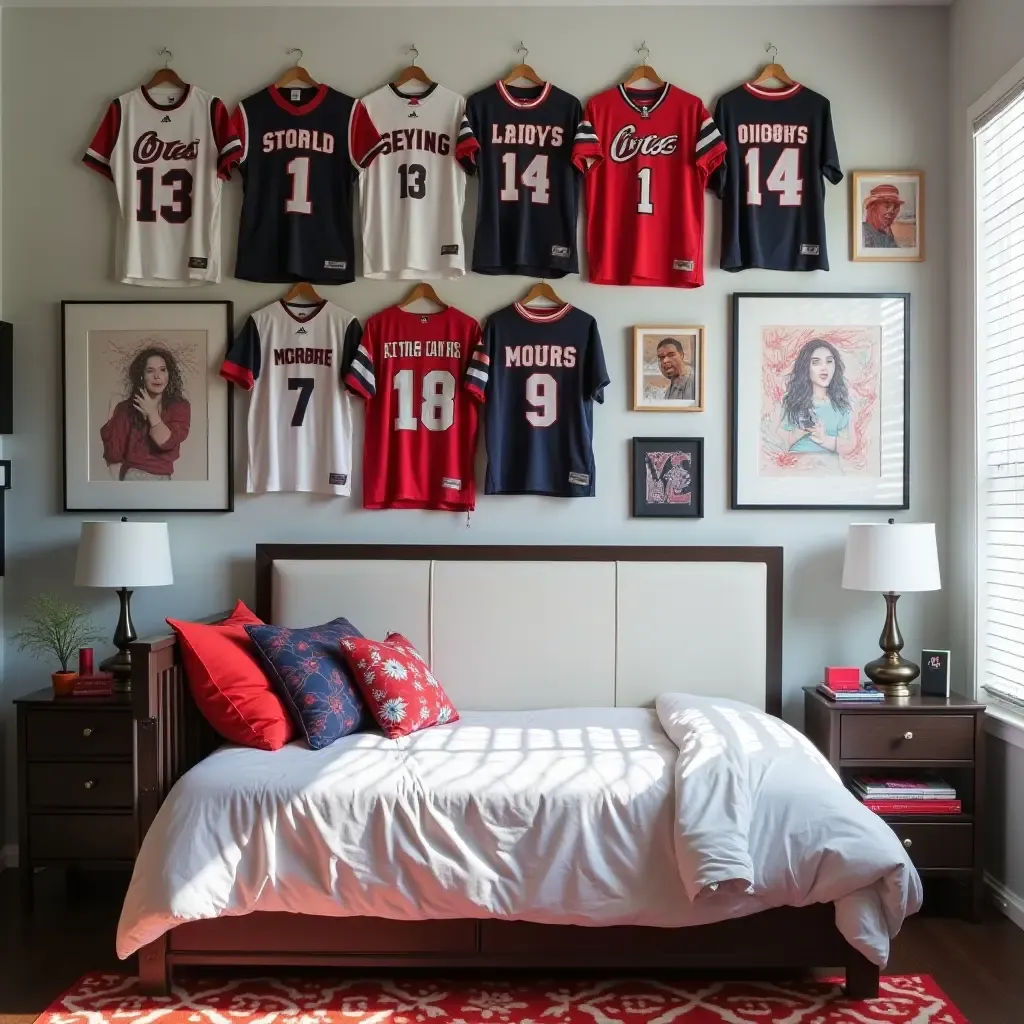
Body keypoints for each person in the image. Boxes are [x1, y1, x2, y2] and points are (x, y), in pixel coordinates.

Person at [100, 345, 191, 480]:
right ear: (141, 376)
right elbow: (114, 455)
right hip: (131, 478)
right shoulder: (125, 408)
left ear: (169, 374)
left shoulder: (179, 406)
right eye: (150, 371)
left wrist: (151, 412)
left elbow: (166, 442)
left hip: (164, 479)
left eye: (162, 370)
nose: (157, 376)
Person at [775, 338, 855, 459]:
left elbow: (850, 444)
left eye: (829, 361)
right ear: (806, 367)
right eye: (816, 362)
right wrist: (799, 431)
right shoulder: (792, 401)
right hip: (795, 469)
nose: (824, 368)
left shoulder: (841, 405)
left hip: (829, 471)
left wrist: (824, 440)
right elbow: (777, 442)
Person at [861, 183, 905, 248]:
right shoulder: (863, 232)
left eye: (895, 208)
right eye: (887, 206)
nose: (892, 212)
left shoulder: (887, 233)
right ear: (874, 208)